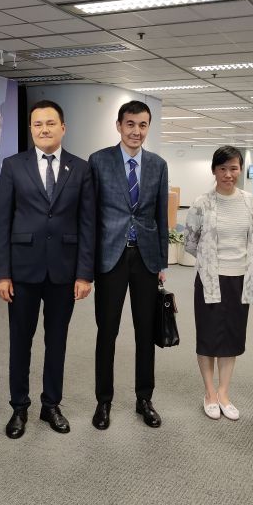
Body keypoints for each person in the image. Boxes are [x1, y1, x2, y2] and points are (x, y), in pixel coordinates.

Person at [0, 100, 95, 439]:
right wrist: (2, 273)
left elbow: (87, 223)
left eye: (50, 123)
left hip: (64, 271)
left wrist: (84, 273)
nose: (44, 129)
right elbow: (1, 221)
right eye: (37, 124)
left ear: (63, 128)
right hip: (22, 270)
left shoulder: (80, 169)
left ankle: (51, 404)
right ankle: (19, 408)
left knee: (57, 341)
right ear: (31, 129)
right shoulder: (12, 165)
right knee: (20, 341)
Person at [89, 100, 168, 430]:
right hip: (110, 256)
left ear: (148, 128)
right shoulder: (99, 161)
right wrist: (87, 264)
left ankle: (144, 398)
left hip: (146, 257)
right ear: (119, 126)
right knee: (107, 331)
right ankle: (103, 401)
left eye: (143, 125)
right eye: (131, 124)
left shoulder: (158, 165)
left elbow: (161, 215)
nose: (137, 131)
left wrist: (163, 261)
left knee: (145, 332)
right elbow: (90, 217)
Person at [183, 146, 253, 421]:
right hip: (210, 279)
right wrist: (211, 261)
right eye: (223, 168)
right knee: (208, 337)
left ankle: (224, 393)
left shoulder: (250, 202)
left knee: (231, 338)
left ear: (240, 169)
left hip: (241, 279)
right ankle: (209, 393)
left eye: (234, 168)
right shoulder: (201, 203)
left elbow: (252, 237)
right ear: (214, 170)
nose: (228, 174)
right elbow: (190, 243)